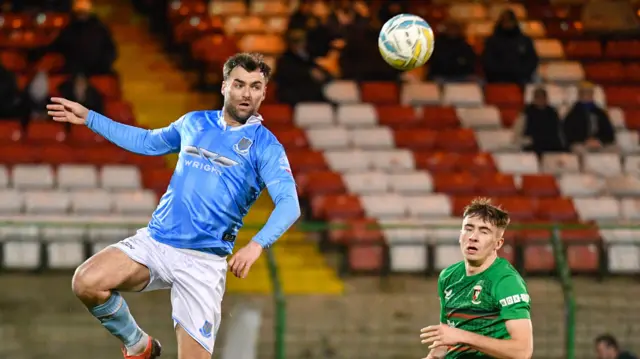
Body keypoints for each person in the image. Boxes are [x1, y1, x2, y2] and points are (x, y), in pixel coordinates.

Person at [46, 53, 301, 359]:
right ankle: (138, 344)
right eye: (239, 84)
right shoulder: (194, 122)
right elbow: (146, 142)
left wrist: (256, 245)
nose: (247, 93)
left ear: (264, 93)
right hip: (157, 242)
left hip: (203, 263)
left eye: (255, 86)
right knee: (87, 281)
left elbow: (289, 204)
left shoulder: (267, 146)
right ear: (224, 87)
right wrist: (89, 117)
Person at [419, 198, 533, 359]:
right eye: (468, 228)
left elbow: (522, 352)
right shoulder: (448, 276)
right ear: (460, 235)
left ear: (498, 243)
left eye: (484, 231)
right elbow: (445, 342)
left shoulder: (506, 281)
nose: (473, 237)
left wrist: (462, 336)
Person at [482, 9, 538, 85]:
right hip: (497, 80)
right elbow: (488, 62)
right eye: (505, 21)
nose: (508, 24)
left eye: (510, 21)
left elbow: (531, 61)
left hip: (521, 80)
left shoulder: (525, 41)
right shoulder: (492, 41)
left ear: (515, 22)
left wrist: (521, 73)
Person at [563, 82, 616, 153]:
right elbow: (568, 134)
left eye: (589, 92)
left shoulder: (600, 113)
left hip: (599, 144)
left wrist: (599, 140)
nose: (586, 95)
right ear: (579, 94)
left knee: (614, 149)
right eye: (584, 92)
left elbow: (610, 134)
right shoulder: (573, 114)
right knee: (578, 149)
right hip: (581, 144)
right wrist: (585, 141)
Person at [513, 87, 566, 157]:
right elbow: (517, 132)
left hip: (552, 146)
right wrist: (527, 141)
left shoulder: (553, 113)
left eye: (542, 97)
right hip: (532, 145)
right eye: (538, 97)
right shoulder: (525, 113)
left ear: (546, 99)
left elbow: (559, 132)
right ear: (534, 99)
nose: (540, 100)